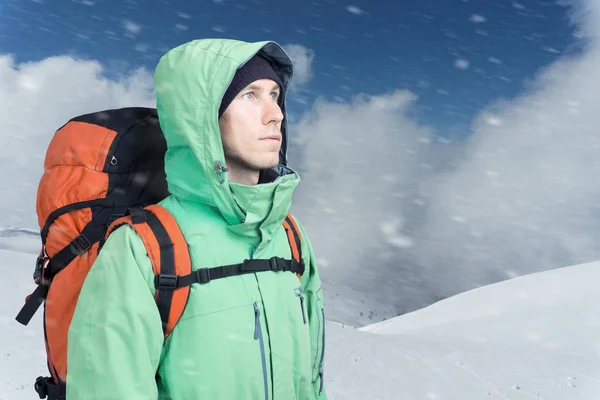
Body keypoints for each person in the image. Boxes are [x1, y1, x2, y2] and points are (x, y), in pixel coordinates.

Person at [66, 39, 328, 399]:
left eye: (274, 94)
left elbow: (312, 382)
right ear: (202, 116)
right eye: (250, 95)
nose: (275, 113)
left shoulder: (289, 234)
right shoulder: (143, 247)